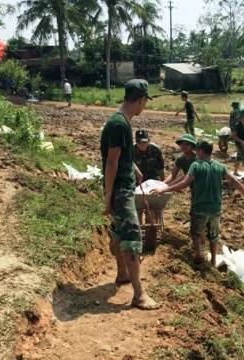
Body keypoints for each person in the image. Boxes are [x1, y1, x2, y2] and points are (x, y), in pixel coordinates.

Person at [100, 79, 160, 310]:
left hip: (121, 186)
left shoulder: (122, 122)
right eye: (145, 101)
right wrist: (109, 197)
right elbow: (111, 163)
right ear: (141, 100)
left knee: (118, 231)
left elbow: (120, 157)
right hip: (120, 191)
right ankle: (139, 294)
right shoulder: (119, 124)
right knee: (133, 237)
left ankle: (122, 273)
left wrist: (133, 167)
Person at [152, 139, 244, 265]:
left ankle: (199, 254)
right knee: (214, 236)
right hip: (216, 208)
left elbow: (185, 183)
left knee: (196, 232)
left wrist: (164, 190)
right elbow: (235, 181)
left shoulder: (196, 165)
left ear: (200, 151)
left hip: (199, 206)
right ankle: (213, 260)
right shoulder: (220, 166)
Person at [133, 129, 165, 224]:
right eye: (139, 142)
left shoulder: (156, 150)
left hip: (152, 180)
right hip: (137, 181)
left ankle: (151, 224)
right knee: (137, 206)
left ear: (149, 140)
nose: (141, 144)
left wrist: (163, 186)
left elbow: (161, 170)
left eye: (144, 142)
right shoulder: (131, 150)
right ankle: (137, 224)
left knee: (151, 206)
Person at [231, 108, 244, 179]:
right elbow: (233, 135)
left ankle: (235, 171)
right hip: (239, 144)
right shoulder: (238, 125)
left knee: (239, 157)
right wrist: (241, 141)